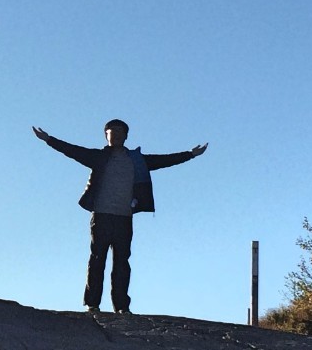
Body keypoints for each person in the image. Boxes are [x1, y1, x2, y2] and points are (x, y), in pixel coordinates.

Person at [33, 120, 207, 314]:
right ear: (105, 136)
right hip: (101, 215)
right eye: (111, 131)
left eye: (119, 131)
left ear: (126, 136)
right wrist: (48, 139)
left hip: (124, 217)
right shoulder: (98, 157)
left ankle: (122, 307)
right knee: (97, 259)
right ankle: (92, 304)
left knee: (122, 262)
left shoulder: (137, 161)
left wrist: (190, 154)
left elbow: (164, 160)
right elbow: (72, 150)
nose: (115, 134)